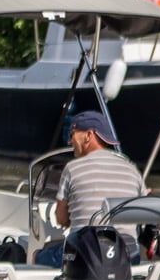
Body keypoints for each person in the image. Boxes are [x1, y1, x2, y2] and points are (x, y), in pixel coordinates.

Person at [34, 110, 146, 266]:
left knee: (37, 256)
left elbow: (61, 219)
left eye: (72, 134)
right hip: (128, 258)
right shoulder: (132, 170)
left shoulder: (73, 168)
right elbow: (141, 216)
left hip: (85, 257)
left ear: (88, 135)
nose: (69, 141)